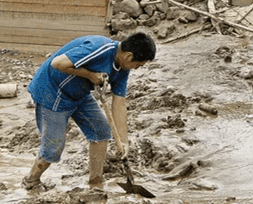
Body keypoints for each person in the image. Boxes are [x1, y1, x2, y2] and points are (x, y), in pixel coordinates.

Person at [22, 32, 156, 189]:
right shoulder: (98, 49)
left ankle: (95, 182)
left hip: (79, 94)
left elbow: (119, 102)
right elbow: (58, 63)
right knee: (53, 147)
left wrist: (124, 141)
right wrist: (91, 75)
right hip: (52, 92)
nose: (137, 69)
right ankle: (31, 180)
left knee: (101, 131)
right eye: (138, 65)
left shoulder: (123, 69)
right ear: (128, 56)